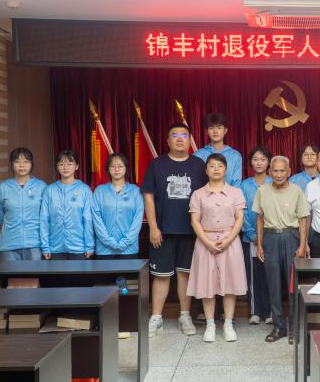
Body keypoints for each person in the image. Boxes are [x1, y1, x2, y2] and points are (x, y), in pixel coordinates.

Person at [142, 124, 207, 338]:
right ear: (168, 140)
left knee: (185, 274)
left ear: (190, 140)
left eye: (184, 135)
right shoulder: (157, 164)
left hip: (191, 232)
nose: (179, 139)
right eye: (175, 135)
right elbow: (148, 196)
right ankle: (156, 318)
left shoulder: (199, 165)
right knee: (161, 276)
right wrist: (153, 227)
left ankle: (185, 316)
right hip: (162, 231)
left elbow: (207, 196)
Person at [187, 154, 247, 342]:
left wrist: (228, 240)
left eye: (220, 166)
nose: (216, 169)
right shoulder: (198, 194)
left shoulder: (236, 192)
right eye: (212, 166)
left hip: (230, 240)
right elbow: (195, 221)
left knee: (229, 284)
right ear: (206, 170)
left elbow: (239, 219)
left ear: (225, 170)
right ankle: (210, 325)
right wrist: (207, 242)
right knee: (207, 285)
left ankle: (228, 324)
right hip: (205, 241)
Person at [253, 156, 309, 343]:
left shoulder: (296, 191)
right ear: (270, 172)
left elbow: (303, 219)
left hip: (291, 237)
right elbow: (259, 219)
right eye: (275, 171)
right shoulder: (262, 191)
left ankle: (293, 328)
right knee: (273, 284)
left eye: (282, 171)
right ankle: (279, 327)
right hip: (270, 238)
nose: (278, 174)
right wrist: (260, 244)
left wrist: (302, 244)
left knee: (292, 285)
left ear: (289, 172)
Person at [40, 150, 94, 260]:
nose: (65, 167)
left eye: (69, 164)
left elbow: (88, 219)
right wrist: (45, 247)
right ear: (57, 167)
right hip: (55, 248)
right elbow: (44, 219)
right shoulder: (49, 190)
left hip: (79, 248)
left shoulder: (84, 190)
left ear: (76, 166)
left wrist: (89, 246)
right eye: (61, 164)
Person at [240, 146, 272, 325]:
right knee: (253, 276)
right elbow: (242, 212)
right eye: (255, 159)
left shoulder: (275, 182)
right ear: (250, 163)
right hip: (251, 238)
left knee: (271, 275)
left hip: (272, 238)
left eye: (263, 159)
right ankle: (255, 311)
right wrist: (252, 234)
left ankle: (270, 312)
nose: (259, 163)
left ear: (268, 162)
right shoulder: (244, 185)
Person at [0, 147, 47, 260]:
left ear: (31, 164)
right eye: (17, 162)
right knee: (10, 272)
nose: (22, 165)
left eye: (26, 161)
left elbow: (45, 216)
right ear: (12, 164)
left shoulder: (41, 186)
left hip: (34, 244)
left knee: (33, 272)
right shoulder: (3, 187)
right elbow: (1, 217)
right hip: (9, 244)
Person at [92, 153, 144, 259]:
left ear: (126, 168)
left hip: (129, 250)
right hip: (104, 250)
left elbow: (137, 220)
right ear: (108, 169)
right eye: (113, 166)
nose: (116, 169)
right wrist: (109, 242)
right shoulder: (99, 191)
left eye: (120, 166)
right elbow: (97, 220)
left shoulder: (136, 191)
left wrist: (125, 243)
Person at [194, 112, 242, 187]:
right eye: (211, 128)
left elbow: (236, 184)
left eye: (219, 128)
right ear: (207, 131)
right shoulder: (198, 155)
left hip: (229, 194)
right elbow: (195, 181)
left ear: (225, 130)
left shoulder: (235, 155)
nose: (215, 131)